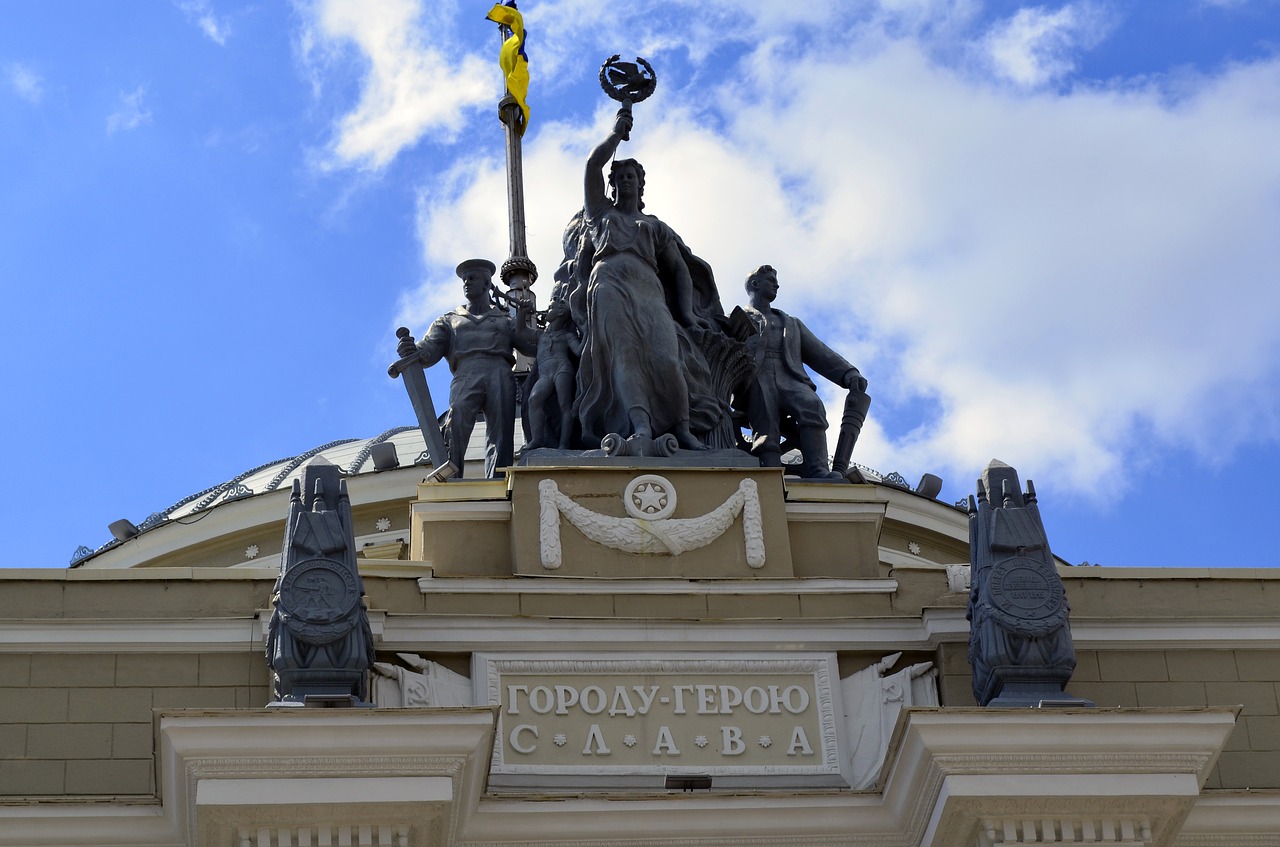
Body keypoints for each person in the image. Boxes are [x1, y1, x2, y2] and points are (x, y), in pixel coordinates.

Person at [570, 109, 724, 450]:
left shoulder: (654, 226)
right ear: (612, 184)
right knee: (625, 355)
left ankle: (681, 427)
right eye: (620, 176)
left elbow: (680, 270)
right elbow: (592, 166)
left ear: (640, 184)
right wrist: (615, 134)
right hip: (608, 282)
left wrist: (686, 314)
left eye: (631, 176)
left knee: (667, 358)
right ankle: (640, 424)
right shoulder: (600, 216)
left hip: (647, 287)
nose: (625, 180)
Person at [398, 259, 536, 477]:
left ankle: (498, 479)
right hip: (465, 372)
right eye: (464, 279)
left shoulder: (504, 320)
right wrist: (411, 349)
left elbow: (530, 346)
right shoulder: (450, 320)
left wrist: (530, 324)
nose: (466, 283)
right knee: (457, 417)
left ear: (486, 285)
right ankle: (452, 475)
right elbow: (429, 350)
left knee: (501, 431)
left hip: (500, 373)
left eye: (472, 278)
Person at [740, 265, 868, 480]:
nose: (777, 285)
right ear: (755, 284)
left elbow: (820, 352)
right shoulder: (736, 319)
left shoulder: (791, 323)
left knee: (812, 406)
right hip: (755, 378)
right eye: (771, 280)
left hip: (789, 377)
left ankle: (818, 470)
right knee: (765, 426)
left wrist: (848, 373)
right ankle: (770, 475)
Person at [525, 297, 580, 450]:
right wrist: (522, 313)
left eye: (550, 308)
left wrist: (587, 331)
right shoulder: (541, 335)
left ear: (560, 312)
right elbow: (521, 331)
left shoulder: (567, 336)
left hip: (563, 369)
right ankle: (537, 439)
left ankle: (564, 444)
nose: (546, 312)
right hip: (545, 374)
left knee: (565, 406)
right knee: (533, 400)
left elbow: (579, 351)